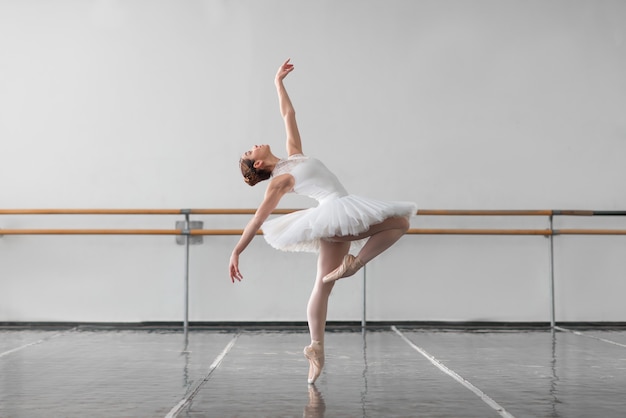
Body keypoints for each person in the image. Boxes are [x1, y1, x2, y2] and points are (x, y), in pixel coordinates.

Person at [229, 59, 416, 385]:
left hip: (334, 216)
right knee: (400, 222)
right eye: (251, 150)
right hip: (336, 210)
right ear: (258, 162)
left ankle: (316, 348)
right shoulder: (279, 179)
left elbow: (289, 115)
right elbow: (258, 218)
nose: (255, 143)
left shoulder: (293, 155)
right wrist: (236, 251)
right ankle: (355, 263)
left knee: (323, 285)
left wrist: (278, 83)